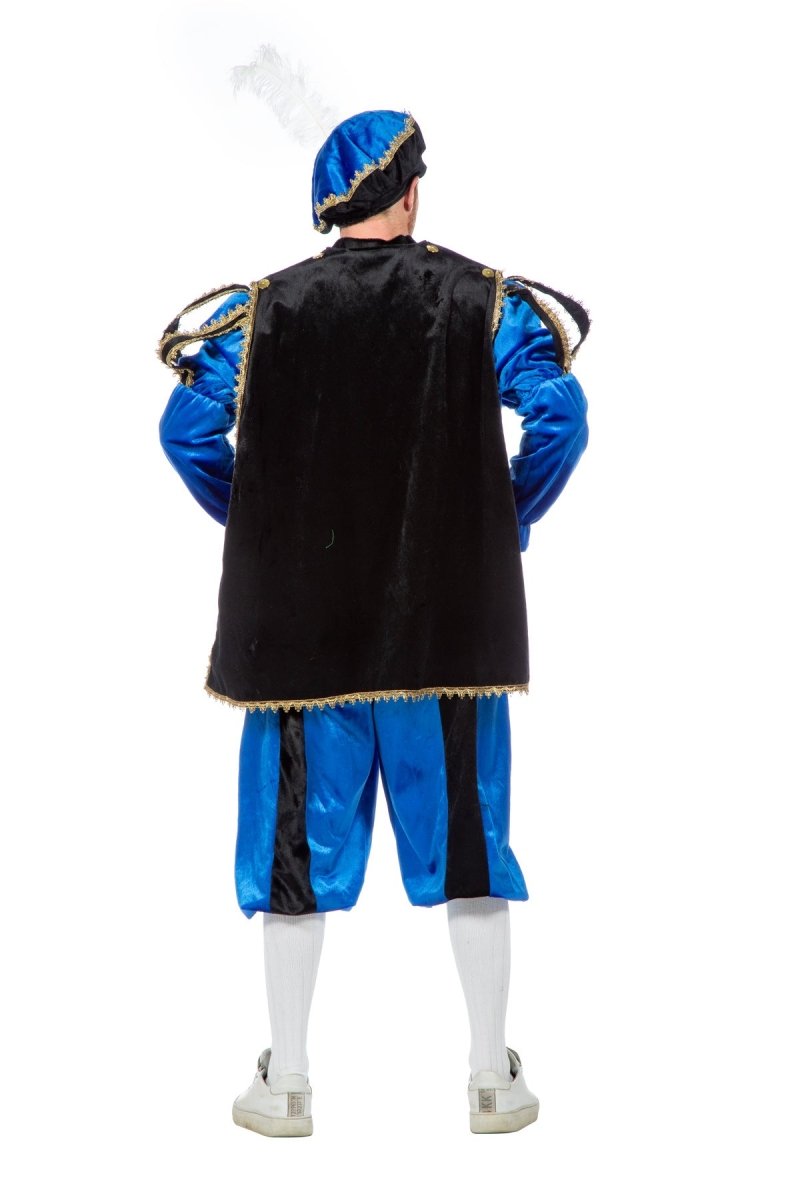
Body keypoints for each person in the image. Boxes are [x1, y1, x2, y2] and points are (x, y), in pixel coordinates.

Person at [158, 109, 589, 1137]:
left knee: (293, 860)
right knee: (470, 847)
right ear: (410, 194)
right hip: (448, 636)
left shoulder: (264, 310)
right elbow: (561, 415)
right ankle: (491, 1078)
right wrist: (501, 523)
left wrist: (266, 525)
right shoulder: (481, 301)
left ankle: (286, 1082)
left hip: (300, 643)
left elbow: (185, 431)